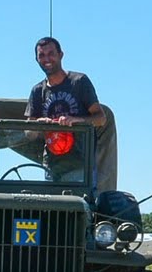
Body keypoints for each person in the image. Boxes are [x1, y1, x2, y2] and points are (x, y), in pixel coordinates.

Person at [26, 37, 105, 183]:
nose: (47, 59)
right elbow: (29, 133)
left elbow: (100, 118)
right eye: (41, 55)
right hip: (50, 167)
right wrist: (39, 124)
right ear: (36, 60)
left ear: (61, 55)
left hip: (80, 166)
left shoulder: (79, 82)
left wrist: (76, 121)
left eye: (51, 53)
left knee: (76, 205)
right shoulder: (37, 91)